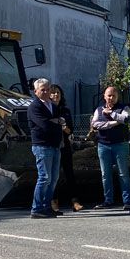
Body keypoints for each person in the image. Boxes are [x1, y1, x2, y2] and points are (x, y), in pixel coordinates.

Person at [91, 86, 130, 210]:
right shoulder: (98, 110)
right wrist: (113, 123)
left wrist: (112, 114)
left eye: (113, 95)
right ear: (104, 96)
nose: (111, 98)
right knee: (105, 174)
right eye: (109, 95)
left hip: (120, 144)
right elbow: (95, 124)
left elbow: (126, 119)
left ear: (117, 97)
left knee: (123, 173)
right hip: (103, 145)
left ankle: (127, 201)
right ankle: (108, 200)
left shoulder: (124, 108)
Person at [27, 78, 63, 219]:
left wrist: (56, 122)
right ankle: (36, 208)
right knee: (44, 177)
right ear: (36, 91)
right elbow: (45, 125)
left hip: (54, 146)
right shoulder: (34, 107)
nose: (46, 92)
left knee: (53, 178)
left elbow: (59, 122)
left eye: (48, 89)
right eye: (43, 89)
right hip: (42, 146)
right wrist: (56, 123)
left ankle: (47, 206)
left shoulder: (53, 106)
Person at [50, 84, 83, 212]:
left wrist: (63, 127)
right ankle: (54, 201)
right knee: (54, 175)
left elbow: (70, 130)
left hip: (65, 146)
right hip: (52, 146)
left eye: (58, 92)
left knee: (69, 174)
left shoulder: (65, 110)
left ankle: (75, 201)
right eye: (53, 93)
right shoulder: (48, 109)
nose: (56, 95)